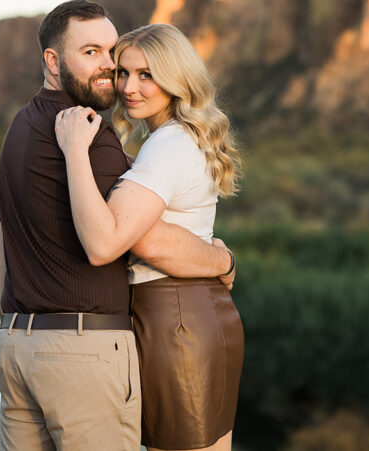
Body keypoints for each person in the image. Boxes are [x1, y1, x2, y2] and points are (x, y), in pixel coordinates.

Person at [0, 1, 235, 451]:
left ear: (176, 78)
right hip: (88, 346)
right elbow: (121, 239)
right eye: (100, 58)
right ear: (52, 59)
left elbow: (0, 249)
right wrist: (222, 259)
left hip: (17, 345)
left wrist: (19, 321)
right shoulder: (85, 133)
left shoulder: (20, 129)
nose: (117, 78)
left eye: (119, 60)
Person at [55, 22, 244, 451]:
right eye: (123, 73)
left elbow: (114, 243)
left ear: (176, 80)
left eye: (146, 75)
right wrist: (222, 261)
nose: (128, 87)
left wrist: (74, 153)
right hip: (195, 315)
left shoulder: (171, 144)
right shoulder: (177, 138)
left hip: (175, 319)